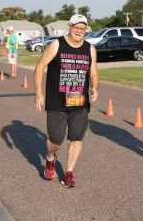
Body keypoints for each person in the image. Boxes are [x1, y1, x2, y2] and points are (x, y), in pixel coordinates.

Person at [34, 14, 99, 188]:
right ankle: (50, 158)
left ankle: (68, 173)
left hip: (80, 102)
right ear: (69, 27)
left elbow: (93, 72)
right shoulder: (56, 44)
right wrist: (39, 93)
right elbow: (40, 67)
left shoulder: (90, 49)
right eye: (76, 27)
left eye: (82, 28)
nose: (79, 31)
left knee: (77, 137)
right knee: (56, 140)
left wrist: (94, 87)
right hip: (57, 101)